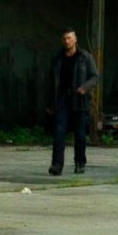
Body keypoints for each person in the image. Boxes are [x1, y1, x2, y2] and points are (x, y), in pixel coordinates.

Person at [49, 27, 99, 175]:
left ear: (75, 39)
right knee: (59, 132)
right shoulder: (58, 58)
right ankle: (57, 165)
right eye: (65, 38)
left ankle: (80, 162)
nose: (67, 41)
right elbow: (51, 81)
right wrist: (50, 103)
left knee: (80, 134)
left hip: (80, 99)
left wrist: (84, 87)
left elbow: (95, 76)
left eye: (70, 38)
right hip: (63, 98)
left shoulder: (85, 57)